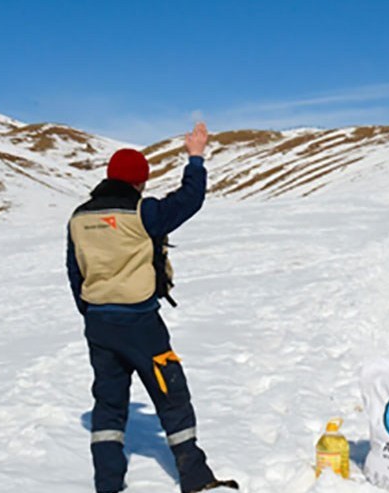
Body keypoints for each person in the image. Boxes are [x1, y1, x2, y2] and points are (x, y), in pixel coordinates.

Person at [66, 123, 238, 493]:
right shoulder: (143, 212)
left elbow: (74, 271)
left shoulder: (79, 217)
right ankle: (196, 479)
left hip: (98, 324)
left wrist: (93, 312)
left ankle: (107, 485)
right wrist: (195, 157)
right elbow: (190, 199)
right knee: (171, 393)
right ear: (139, 182)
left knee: (109, 406)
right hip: (141, 323)